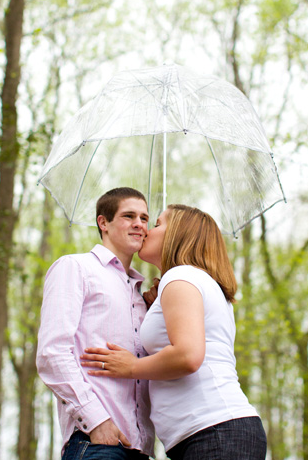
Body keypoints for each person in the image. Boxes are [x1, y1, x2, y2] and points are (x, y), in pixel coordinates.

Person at [81, 204, 267, 460]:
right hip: (211, 433)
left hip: (214, 430)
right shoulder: (192, 280)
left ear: (177, 235)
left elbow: (188, 356)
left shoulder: (180, 277)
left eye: (157, 224)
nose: (146, 230)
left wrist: (131, 367)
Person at [36, 187, 157, 460]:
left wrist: (159, 307)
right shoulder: (75, 268)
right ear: (103, 222)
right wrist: (96, 421)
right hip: (95, 443)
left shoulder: (141, 294)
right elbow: (51, 354)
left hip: (141, 449)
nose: (140, 224)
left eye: (145, 218)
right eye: (129, 216)